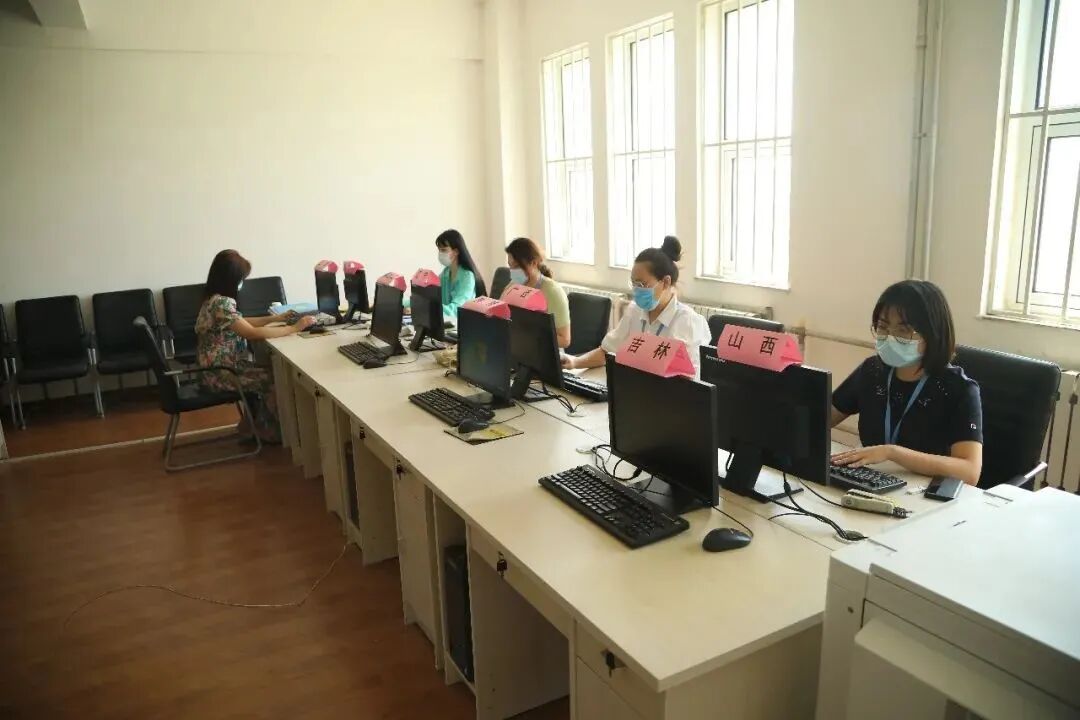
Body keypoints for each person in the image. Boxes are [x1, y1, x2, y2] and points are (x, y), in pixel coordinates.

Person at [830, 280, 983, 485]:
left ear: (933, 334)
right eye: (883, 327)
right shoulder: (872, 371)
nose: (889, 337)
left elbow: (970, 471)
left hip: (924, 493)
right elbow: (821, 417)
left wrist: (892, 453)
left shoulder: (959, 389)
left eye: (903, 330)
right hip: (870, 483)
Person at [195, 249, 315, 443]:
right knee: (275, 378)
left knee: (270, 370)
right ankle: (271, 431)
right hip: (222, 374)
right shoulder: (222, 303)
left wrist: (275, 319)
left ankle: (251, 425)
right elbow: (251, 333)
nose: (242, 283)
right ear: (231, 279)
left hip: (215, 370)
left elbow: (241, 322)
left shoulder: (212, 299)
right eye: (241, 279)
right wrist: (294, 328)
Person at [562, 236, 710, 373]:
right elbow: (607, 351)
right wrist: (574, 362)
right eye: (634, 283)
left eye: (642, 284)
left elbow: (690, 379)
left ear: (666, 282)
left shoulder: (688, 322)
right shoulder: (635, 310)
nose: (636, 290)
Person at [502, 237, 571, 349]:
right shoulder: (512, 286)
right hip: (517, 349)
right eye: (510, 266)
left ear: (533, 263)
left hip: (544, 352)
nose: (513, 272)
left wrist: (530, 335)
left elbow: (565, 340)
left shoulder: (552, 291)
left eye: (517, 266)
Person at [435, 229, 486, 318]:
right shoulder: (445, 273)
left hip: (465, 324)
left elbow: (456, 310)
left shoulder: (467, 277)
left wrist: (430, 309)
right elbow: (431, 296)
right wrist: (412, 304)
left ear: (456, 251)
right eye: (439, 250)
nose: (440, 253)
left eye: (444, 250)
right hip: (449, 323)